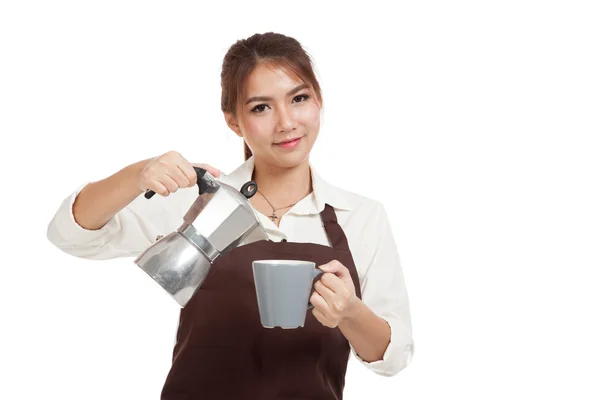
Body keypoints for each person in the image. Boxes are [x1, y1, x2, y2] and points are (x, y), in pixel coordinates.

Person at [47, 32, 414, 399]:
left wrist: (350, 312)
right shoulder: (197, 200)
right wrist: (138, 174)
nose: (286, 122)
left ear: (319, 101)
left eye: (299, 99)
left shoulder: (360, 217)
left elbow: (392, 356)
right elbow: (70, 234)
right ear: (234, 122)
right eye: (261, 107)